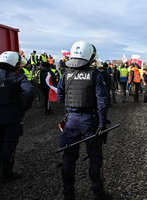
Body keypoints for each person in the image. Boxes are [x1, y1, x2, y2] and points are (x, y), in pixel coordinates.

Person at [57, 41, 110, 200]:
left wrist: (71, 110)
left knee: (68, 158)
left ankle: (68, 194)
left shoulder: (66, 74)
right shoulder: (95, 74)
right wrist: (101, 124)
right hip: (89, 121)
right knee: (95, 158)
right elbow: (102, 102)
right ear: (89, 55)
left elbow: (60, 96)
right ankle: (98, 193)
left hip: (71, 121)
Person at [0, 51, 34, 182]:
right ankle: (6, 173)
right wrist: (23, 107)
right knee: (9, 144)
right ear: (14, 63)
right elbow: (29, 92)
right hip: (12, 117)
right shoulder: (18, 78)